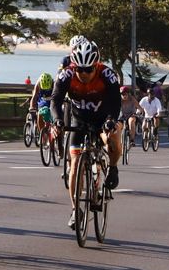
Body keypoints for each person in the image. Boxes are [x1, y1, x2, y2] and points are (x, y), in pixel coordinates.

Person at [50, 36, 122, 230]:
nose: (84, 74)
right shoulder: (66, 75)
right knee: (74, 164)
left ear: (95, 65)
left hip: (102, 118)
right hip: (78, 119)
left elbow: (116, 101)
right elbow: (55, 100)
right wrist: (57, 121)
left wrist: (111, 121)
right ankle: (75, 210)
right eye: (80, 69)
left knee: (113, 140)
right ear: (74, 66)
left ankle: (112, 168)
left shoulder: (107, 74)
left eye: (88, 69)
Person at [29, 72, 55, 140]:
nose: (46, 90)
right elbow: (34, 97)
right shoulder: (38, 84)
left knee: (52, 113)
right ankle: (42, 135)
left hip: (51, 99)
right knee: (39, 114)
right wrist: (32, 107)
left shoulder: (54, 84)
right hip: (42, 99)